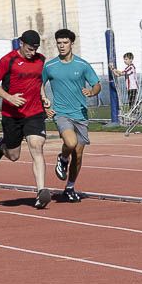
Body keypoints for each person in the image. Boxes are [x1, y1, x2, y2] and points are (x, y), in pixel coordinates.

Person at [0, 30, 51, 209]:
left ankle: (41, 191)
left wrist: (44, 96)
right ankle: (2, 146)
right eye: (30, 48)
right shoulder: (8, 60)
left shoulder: (41, 60)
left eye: (36, 49)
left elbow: (38, 82)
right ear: (21, 44)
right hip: (12, 115)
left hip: (34, 112)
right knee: (14, 155)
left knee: (36, 146)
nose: (33, 52)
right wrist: (9, 97)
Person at [43, 28, 101, 203]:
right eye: (59, 43)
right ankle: (62, 158)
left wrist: (92, 91)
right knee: (70, 142)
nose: (62, 46)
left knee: (78, 154)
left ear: (71, 44)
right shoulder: (50, 66)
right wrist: (44, 102)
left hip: (80, 114)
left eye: (65, 43)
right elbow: (39, 84)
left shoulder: (82, 65)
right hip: (61, 113)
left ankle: (70, 187)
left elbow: (97, 84)